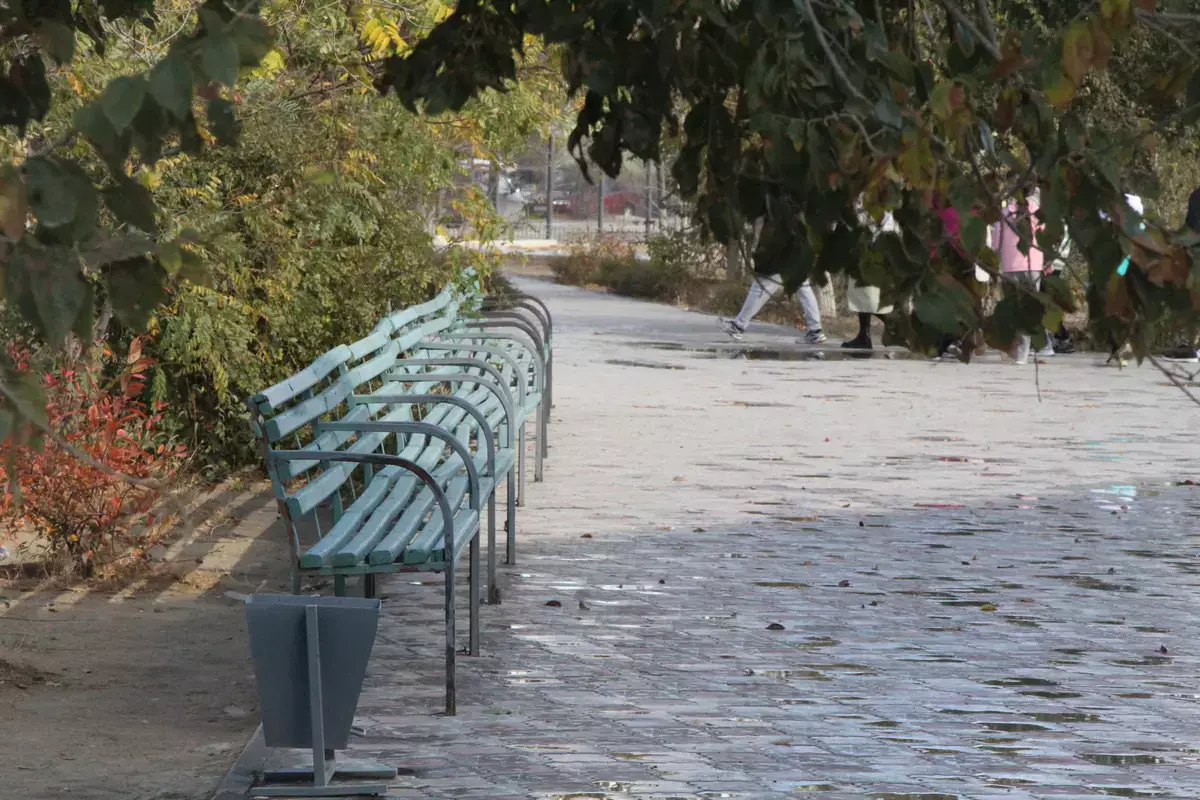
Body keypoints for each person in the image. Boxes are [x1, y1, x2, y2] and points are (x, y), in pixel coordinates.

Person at [992, 191, 1049, 365]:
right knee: (1028, 311)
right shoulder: (1038, 213)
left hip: (1010, 266)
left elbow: (996, 243)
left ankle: (1012, 349)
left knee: (1011, 310)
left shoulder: (1004, 214)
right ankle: (1022, 355)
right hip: (1033, 266)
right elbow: (1047, 239)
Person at [719, 274, 826, 344]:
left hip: (784, 250)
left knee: (762, 283)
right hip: (798, 248)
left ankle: (738, 326)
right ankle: (815, 330)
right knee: (802, 284)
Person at [842, 211, 896, 350]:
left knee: (869, 295)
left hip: (876, 246)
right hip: (867, 244)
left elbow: (880, 219)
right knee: (861, 293)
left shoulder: (880, 195)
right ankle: (864, 335)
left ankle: (896, 325)